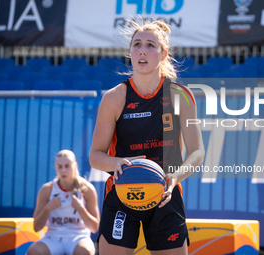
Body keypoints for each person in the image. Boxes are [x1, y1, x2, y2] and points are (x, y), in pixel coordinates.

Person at [89, 19, 205, 255]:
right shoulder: (114, 98)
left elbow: (197, 152)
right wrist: (116, 163)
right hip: (122, 194)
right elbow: (95, 156)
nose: (142, 50)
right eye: (137, 44)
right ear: (130, 52)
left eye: (151, 45)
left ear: (163, 54)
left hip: (165, 194)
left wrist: (175, 177)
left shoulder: (180, 96)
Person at [27, 149, 100, 255]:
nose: (63, 171)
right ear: (55, 167)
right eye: (59, 167)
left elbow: (94, 228)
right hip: (53, 237)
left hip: (78, 236)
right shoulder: (47, 189)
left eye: (67, 166)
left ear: (75, 165)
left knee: (85, 251)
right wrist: (48, 209)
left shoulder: (87, 189)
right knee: (33, 251)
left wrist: (80, 208)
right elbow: (36, 227)